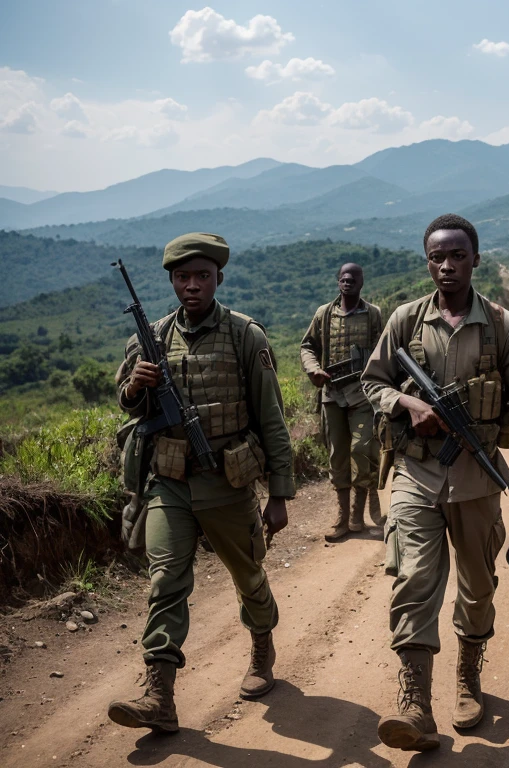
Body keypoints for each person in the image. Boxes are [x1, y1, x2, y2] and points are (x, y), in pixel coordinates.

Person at [362, 213, 509, 752]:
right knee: (414, 580)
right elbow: (372, 381)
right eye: (436, 257)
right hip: (415, 474)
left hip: (476, 481)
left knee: (477, 586)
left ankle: (469, 675)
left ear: (474, 258)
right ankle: (415, 703)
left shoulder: (501, 326)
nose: (446, 266)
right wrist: (407, 402)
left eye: (457, 256)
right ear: (427, 261)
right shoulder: (404, 320)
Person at [108, 232, 294, 734]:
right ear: (171, 280)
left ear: (218, 278)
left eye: (202, 277)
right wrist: (135, 386)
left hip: (227, 481)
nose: (192, 286)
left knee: (248, 575)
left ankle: (261, 645)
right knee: (166, 580)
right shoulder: (149, 338)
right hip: (169, 481)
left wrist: (280, 494)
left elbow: (271, 419)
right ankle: (159, 695)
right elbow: (129, 406)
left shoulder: (243, 335)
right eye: (183, 277)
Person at [300, 263, 384, 541]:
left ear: (361, 283)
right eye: (343, 279)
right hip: (332, 394)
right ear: (338, 282)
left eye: (353, 279)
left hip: (362, 394)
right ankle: (342, 517)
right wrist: (313, 369)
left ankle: (358, 514)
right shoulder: (324, 314)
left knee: (362, 450)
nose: (347, 283)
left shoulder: (373, 315)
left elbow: (382, 351)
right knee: (337, 455)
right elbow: (308, 346)